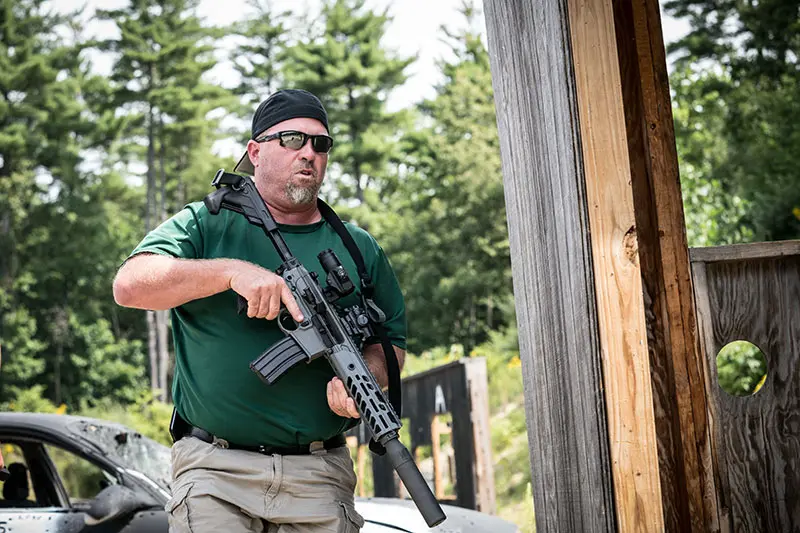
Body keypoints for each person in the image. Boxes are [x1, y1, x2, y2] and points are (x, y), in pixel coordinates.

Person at [112, 89, 407, 533]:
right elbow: (130, 285)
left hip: (319, 474)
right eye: (292, 139)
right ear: (255, 151)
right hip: (215, 470)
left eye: (320, 144)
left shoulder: (358, 248)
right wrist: (231, 272)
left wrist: (367, 375)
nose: (308, 153)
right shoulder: (205, 223)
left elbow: (393, 343)